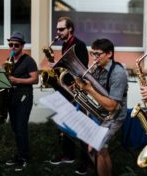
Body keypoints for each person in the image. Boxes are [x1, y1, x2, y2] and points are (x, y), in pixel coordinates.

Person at [75, 38, 128, 176]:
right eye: (93, 54)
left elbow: (112, 106)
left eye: (98, 54)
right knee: (98, 148)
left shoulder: (118, 73)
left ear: (109, 54)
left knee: (96, 147)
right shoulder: (97, 69)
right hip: (101, 114)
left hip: (115, 116)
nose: (95, 58)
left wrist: (89, 90)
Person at [48, 16, 90, 175]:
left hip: (76, 90)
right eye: (57, 29)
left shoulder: (78, 45)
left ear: (70, 29)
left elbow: (82, 68)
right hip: (65, 89)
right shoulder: (65, 44)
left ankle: (86, 161)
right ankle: (69, 154)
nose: (58, 32)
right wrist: (56, 67)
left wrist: (60, 65)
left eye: (61, 29)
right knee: (66, 123)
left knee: (80, 125)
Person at [4, 31, 39, 172]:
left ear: (22, 46)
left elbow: (35, 79)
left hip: (24, 96)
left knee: (20, 127)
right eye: (10, 44)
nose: (13, 47)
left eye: (16, 45)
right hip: (12, 96)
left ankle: (24, 157)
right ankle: (19, 154)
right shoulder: (10, 59)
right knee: (14, 127)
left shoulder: (29, 60)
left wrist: (17, 80)